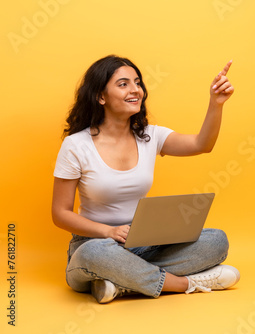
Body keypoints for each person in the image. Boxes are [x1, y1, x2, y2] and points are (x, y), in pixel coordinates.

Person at [51, 55, 240, 303]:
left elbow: (201, 144)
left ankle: (122, 282)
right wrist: (108, 231)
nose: (136, 90)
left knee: (216, 240)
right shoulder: (76, 145)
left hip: (144, 242)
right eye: (123, 84)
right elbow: (60, 213)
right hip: (96, 243)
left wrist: (216, 103)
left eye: (137, 83)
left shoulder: (150, 136)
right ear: (100, 96)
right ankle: (185, 284)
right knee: (93, 254)